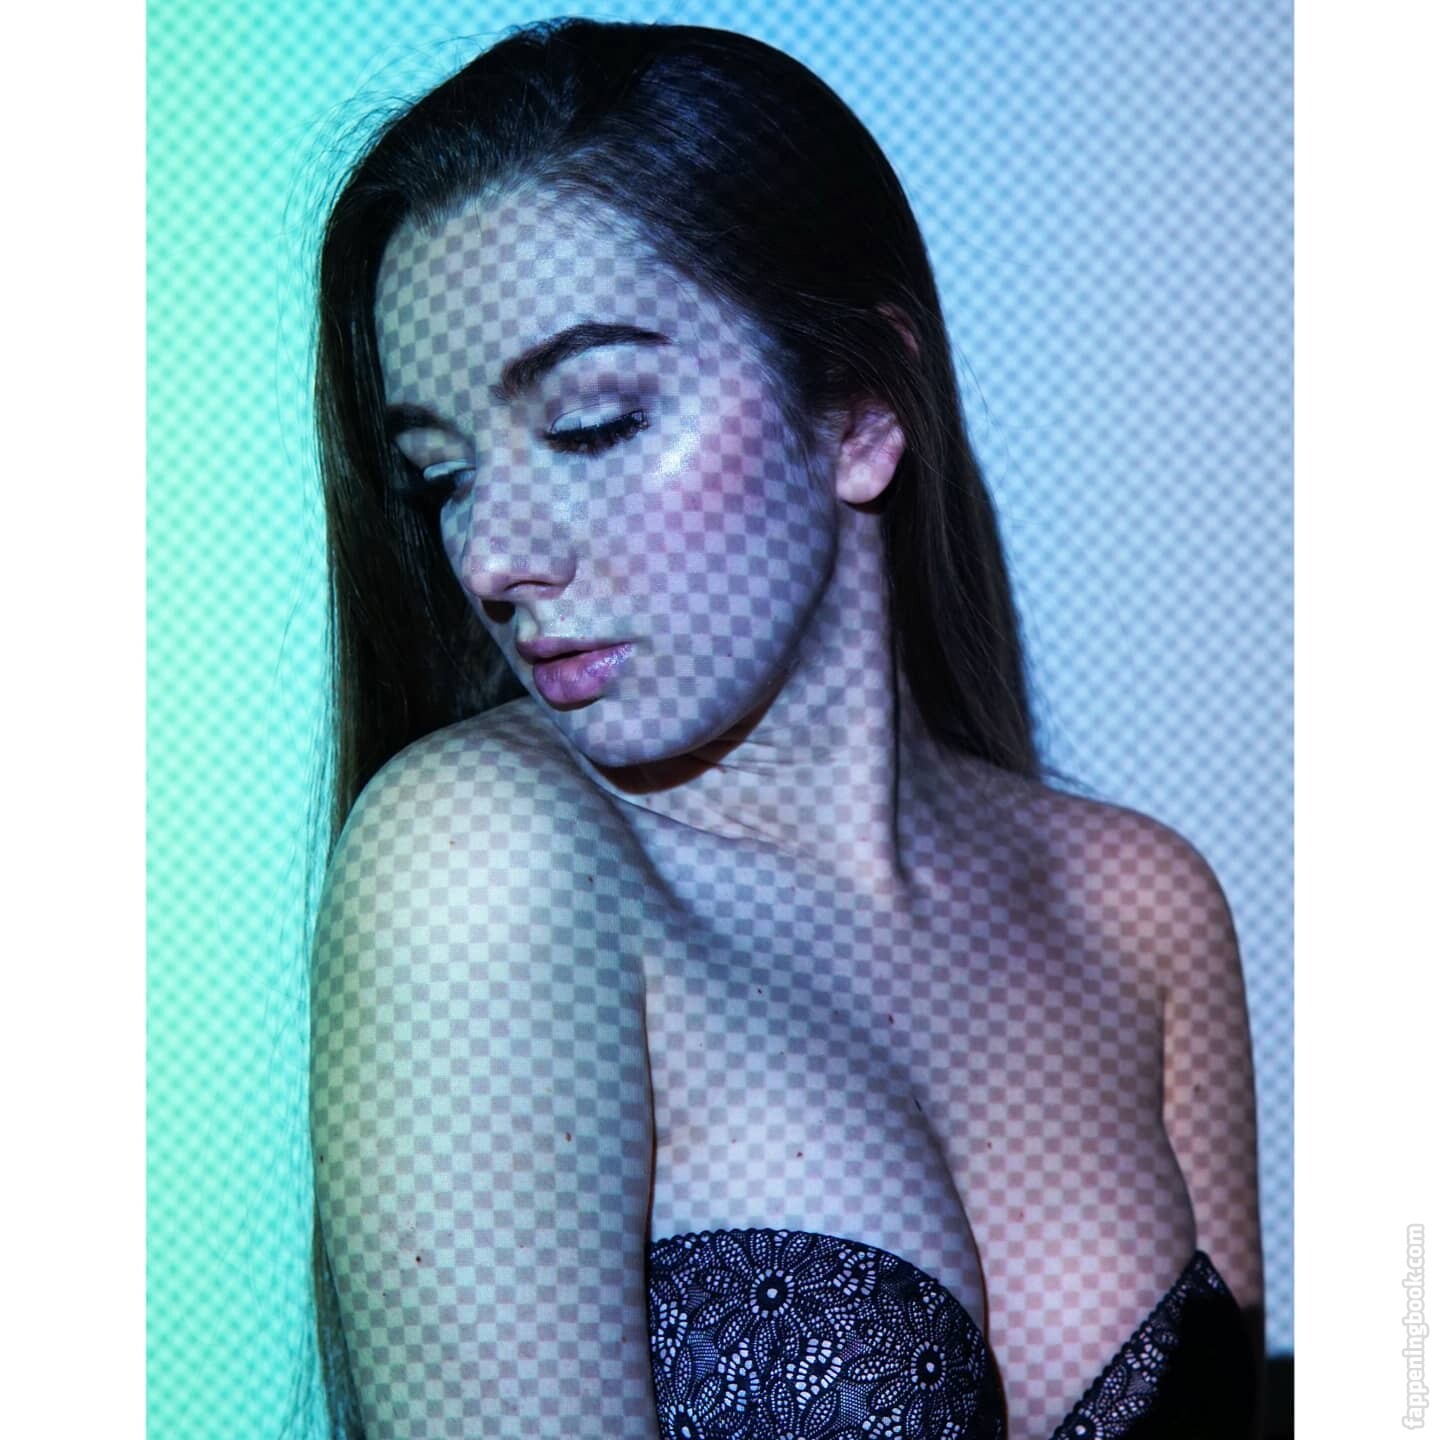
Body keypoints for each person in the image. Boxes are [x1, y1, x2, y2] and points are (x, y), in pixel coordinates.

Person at [307, 17, 1264, 1440]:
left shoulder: (1141, 908)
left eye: (591, 422)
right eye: (440, 476)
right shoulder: (487, 867)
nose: (489, 553)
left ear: (860, 411)